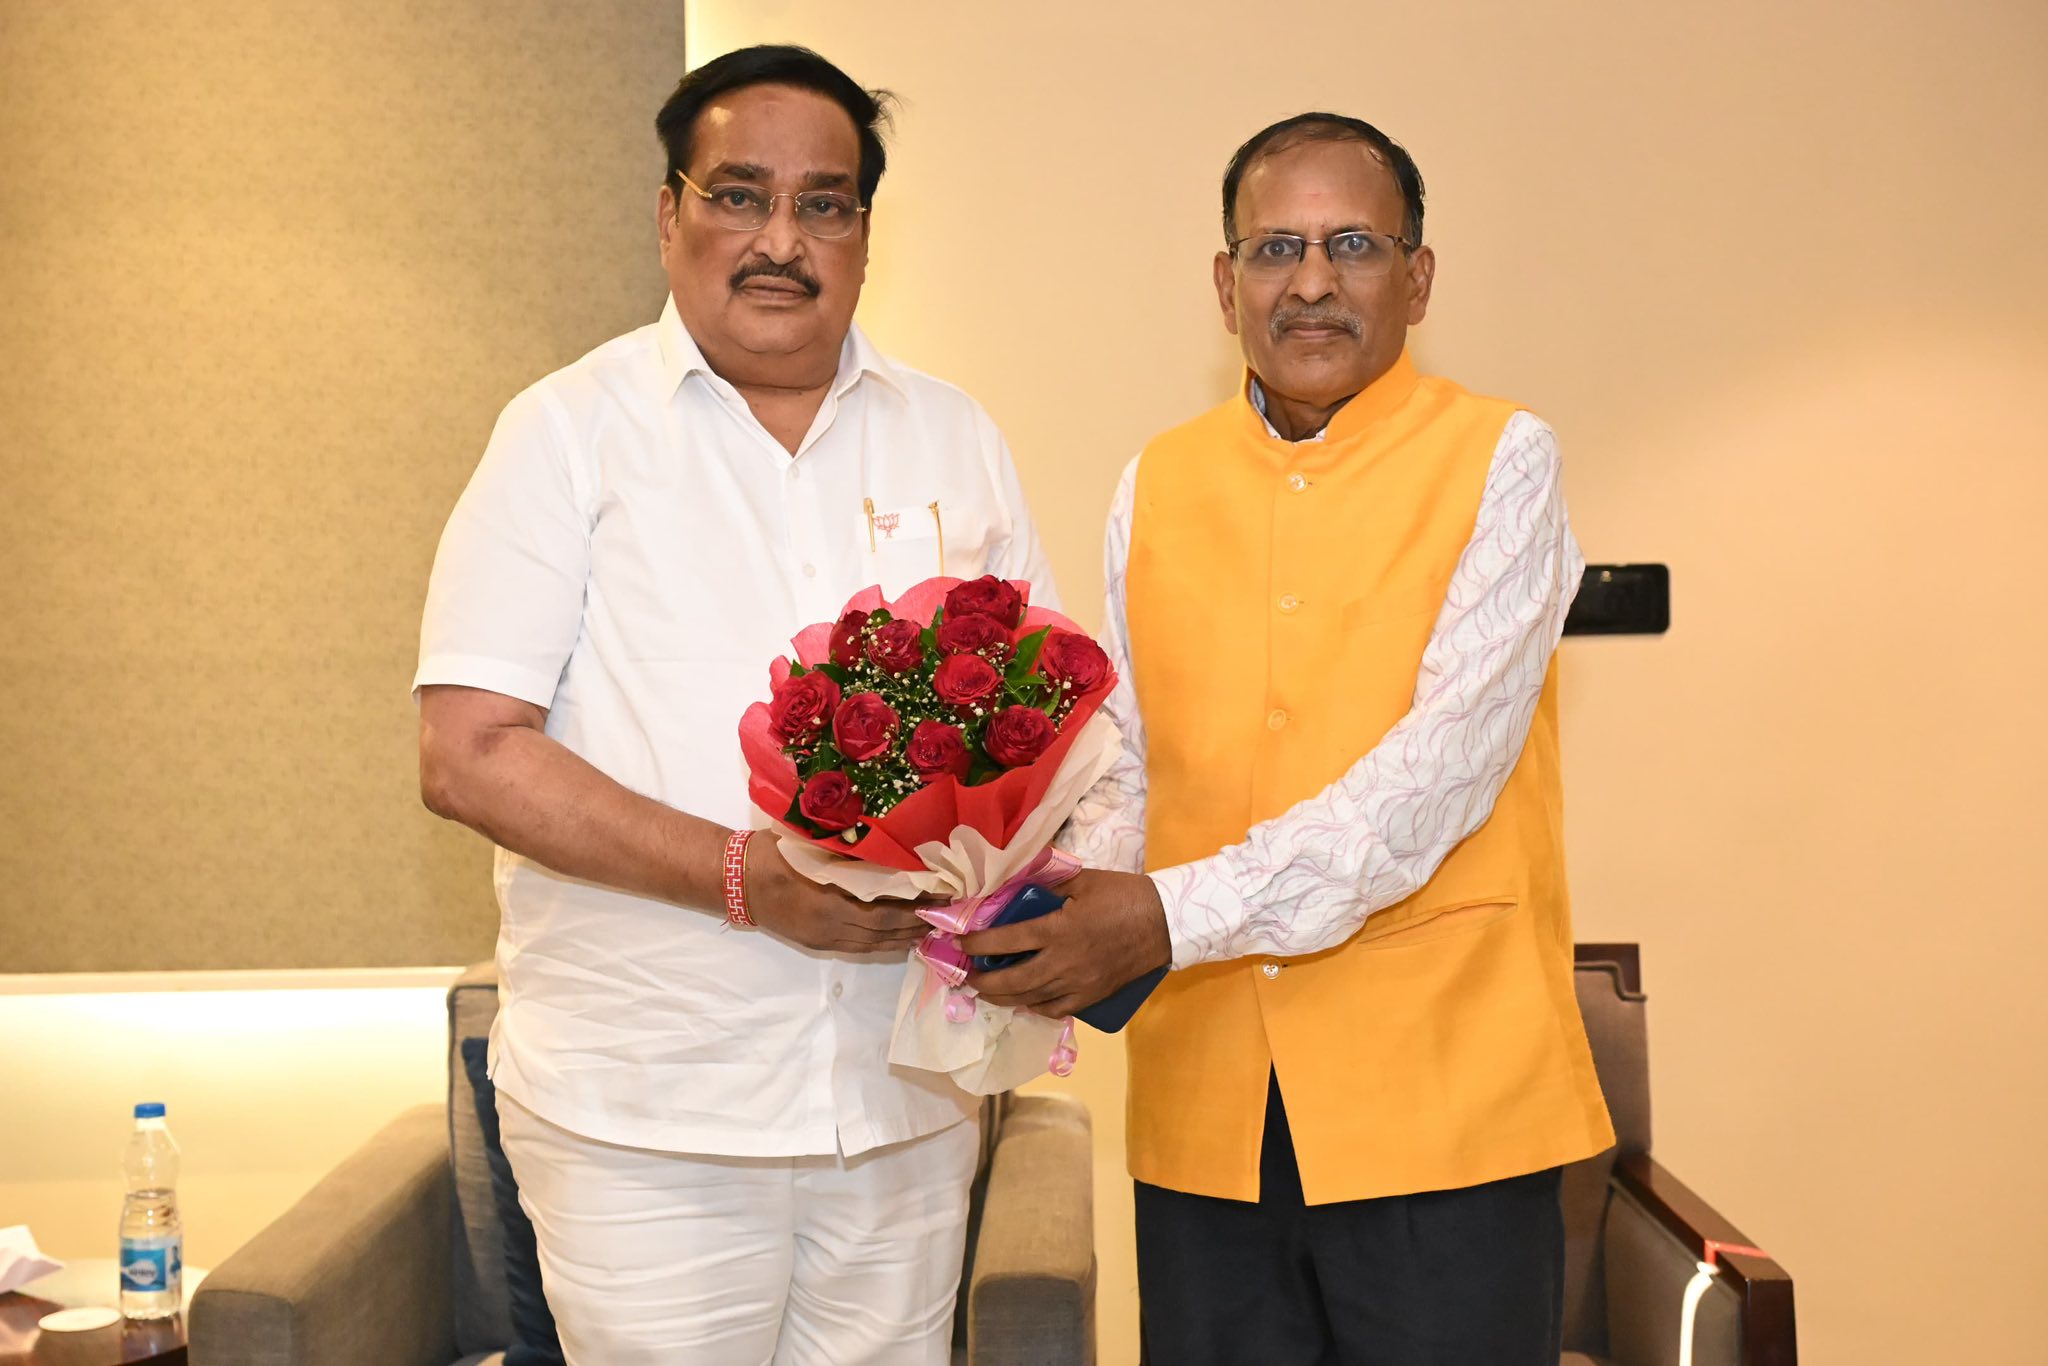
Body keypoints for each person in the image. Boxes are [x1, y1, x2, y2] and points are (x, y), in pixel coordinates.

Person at [414, 44, 1056, 1365]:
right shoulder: (565, 434)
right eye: (738, 194)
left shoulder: (953, 437)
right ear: (669, 213)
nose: (780, 239)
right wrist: (740, 877)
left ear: (865, 233)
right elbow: (468, 751)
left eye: (824, 203)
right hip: (646, 1119)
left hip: (903, 1099)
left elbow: (1040, 730)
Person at [964, 113, 1614, 1364]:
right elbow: (1129, 761)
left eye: (1352, 244)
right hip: (1206, 1112)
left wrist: (1160, 916)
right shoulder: (1155, 480)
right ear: (1225, 286)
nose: (1310, 281)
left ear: (1417, 278)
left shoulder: (1502, 460)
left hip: (1444, 1112)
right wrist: (1017, 911)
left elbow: (1428, 788)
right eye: (1274, 249)